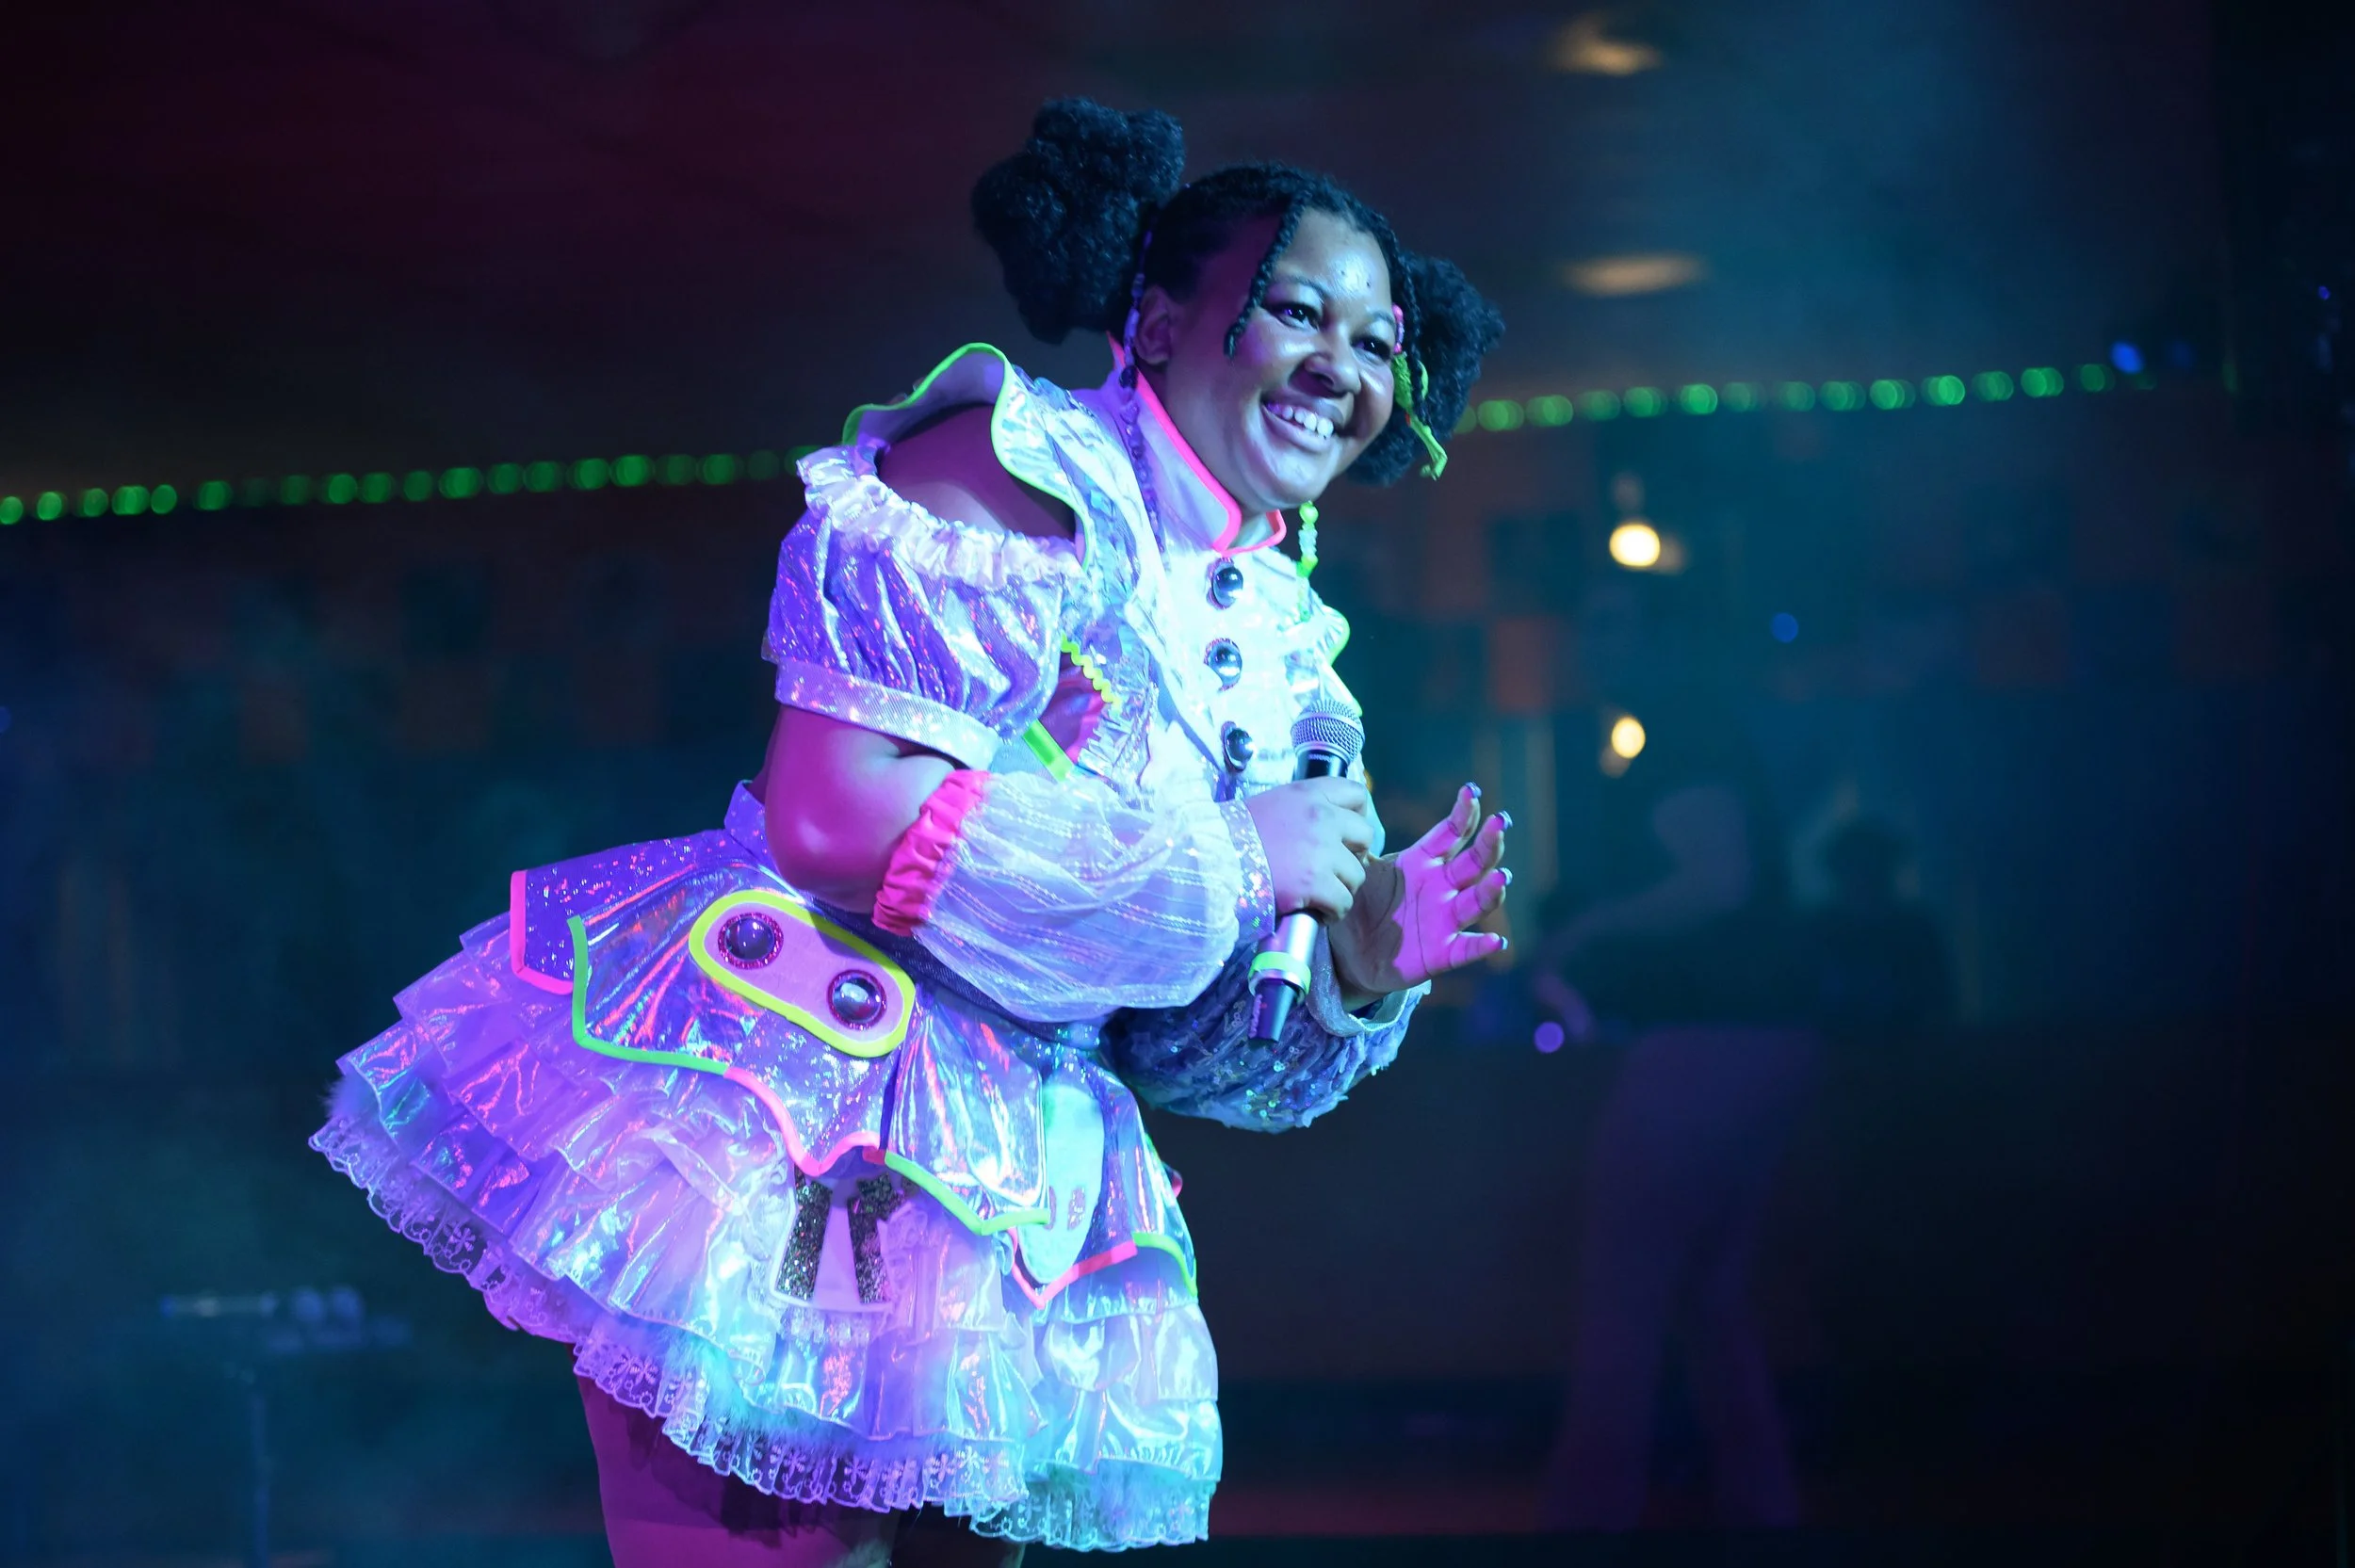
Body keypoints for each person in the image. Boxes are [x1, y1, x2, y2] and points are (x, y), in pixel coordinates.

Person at [310, 99, 1509, 1565]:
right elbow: (835, 819)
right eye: (1298, 311)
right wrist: (1230, 861)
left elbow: (1177, 1046)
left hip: (1028, 1166)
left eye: (1380, 340)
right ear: (1157, 315)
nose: (1345, 365)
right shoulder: (1011, 465)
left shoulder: (1290, 657)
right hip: (802, 1097)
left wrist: (1356, 972)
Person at [1532, 696, 1813, 1529]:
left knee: (1628, 1294)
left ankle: (1587, 1524)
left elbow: (1717, 879)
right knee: (1713, 1297)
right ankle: (1767, 1516)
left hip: (1703, 1046)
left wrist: (1586, 931)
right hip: (1768, 1042)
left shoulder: (1686, 743)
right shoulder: (1716, 739)